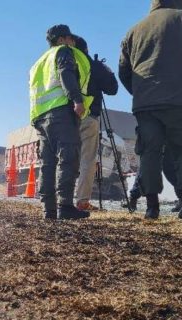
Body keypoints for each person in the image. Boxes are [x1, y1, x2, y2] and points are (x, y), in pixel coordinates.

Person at [119, 0, 182, 220]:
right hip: (180, 99)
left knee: (149, 152)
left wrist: (140, 92)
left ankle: (152, 208)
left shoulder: (134, 30)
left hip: (145, 104)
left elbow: (124, 71)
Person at [29, 24, 93, 220]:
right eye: (70, 39)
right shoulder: (63, 52)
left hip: (40, 116)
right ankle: (65, 206)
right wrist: (77, 100)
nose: (73, 42)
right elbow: (66, 73)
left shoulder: (38, 62)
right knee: (68, 158)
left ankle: (48, 210)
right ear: (62, 39)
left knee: (48, 164)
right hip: (61, 112)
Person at [72, 37, 119, 211]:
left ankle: (61, 199)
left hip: (64, 118)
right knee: (87, 159)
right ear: (86, 49)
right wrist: (104, 68)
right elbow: (113, 89)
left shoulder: (63, 63)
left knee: (65, 158)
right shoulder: (92, 65)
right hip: (88, 115)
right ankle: (82, 201)